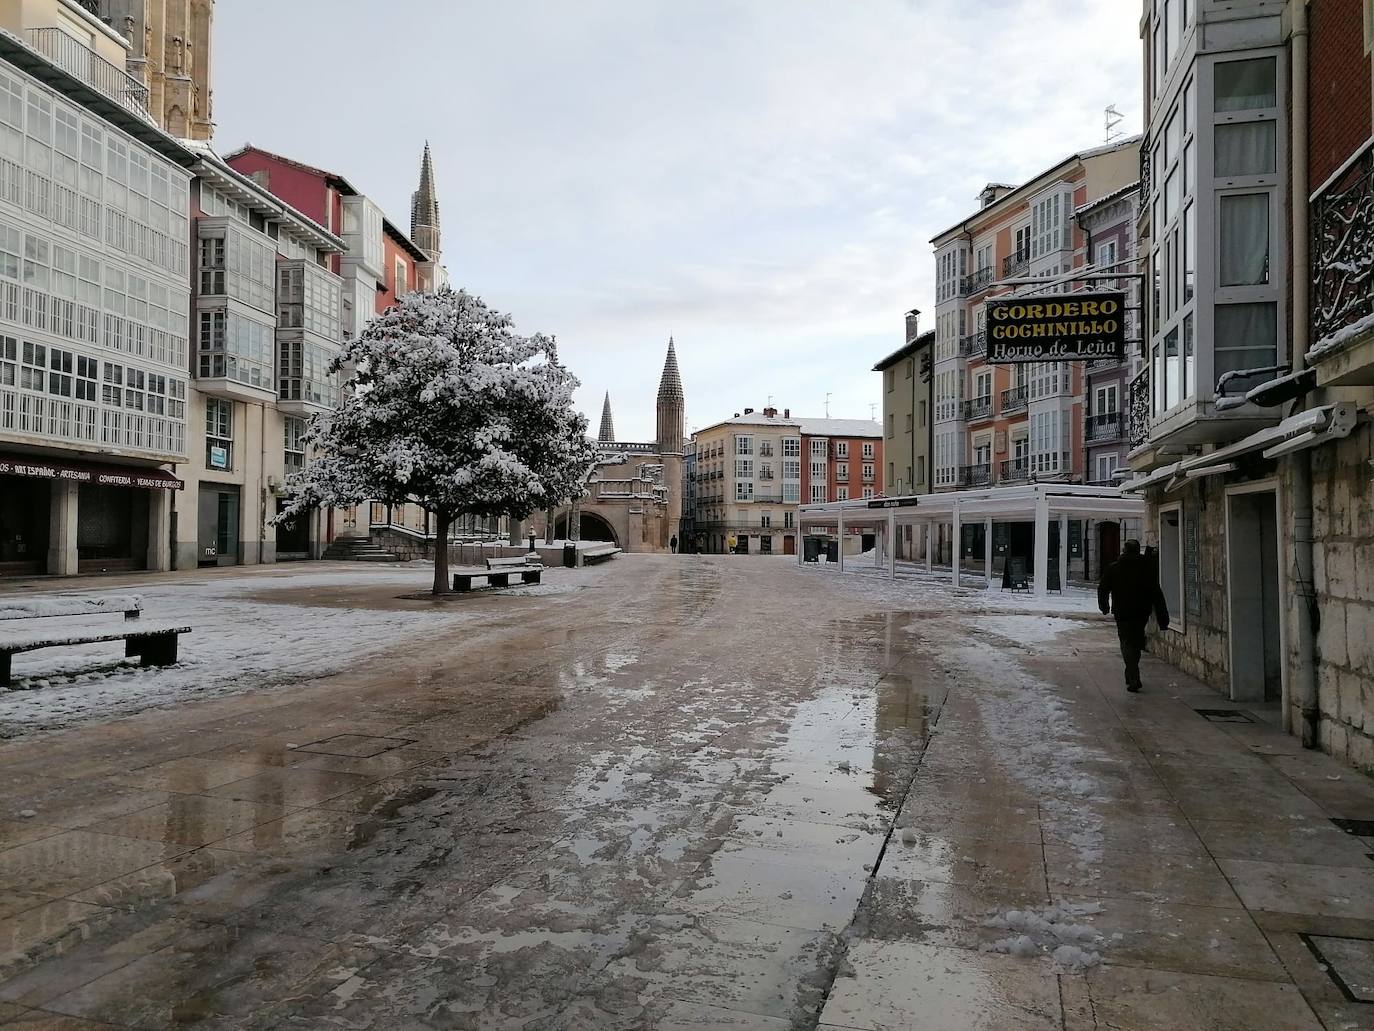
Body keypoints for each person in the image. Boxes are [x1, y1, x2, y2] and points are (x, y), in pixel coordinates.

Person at [1098, 538, 1170, 692]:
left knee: (1126, 641)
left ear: (1124, 550)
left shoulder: (1114, 568)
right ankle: (1132, 673)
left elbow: (1103, 588)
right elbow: (1157, 594)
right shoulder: (1147, 569)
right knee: (1136, 641)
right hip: (1141, 611)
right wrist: (1163, 618)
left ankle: (1132, 674)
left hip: (1122, 611)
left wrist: (1104, 606)